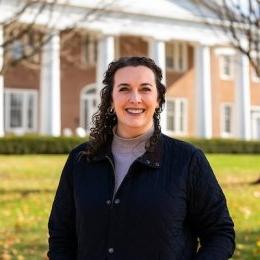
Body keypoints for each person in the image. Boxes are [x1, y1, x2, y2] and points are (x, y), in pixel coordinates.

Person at [48, 56, 235, 259]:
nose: (135, 99)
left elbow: (220, 233)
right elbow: (61, 235)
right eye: (124, 89)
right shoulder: (80, 159)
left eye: (145, 89)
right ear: (111, 99)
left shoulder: (187, 160)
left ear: (158, 99)